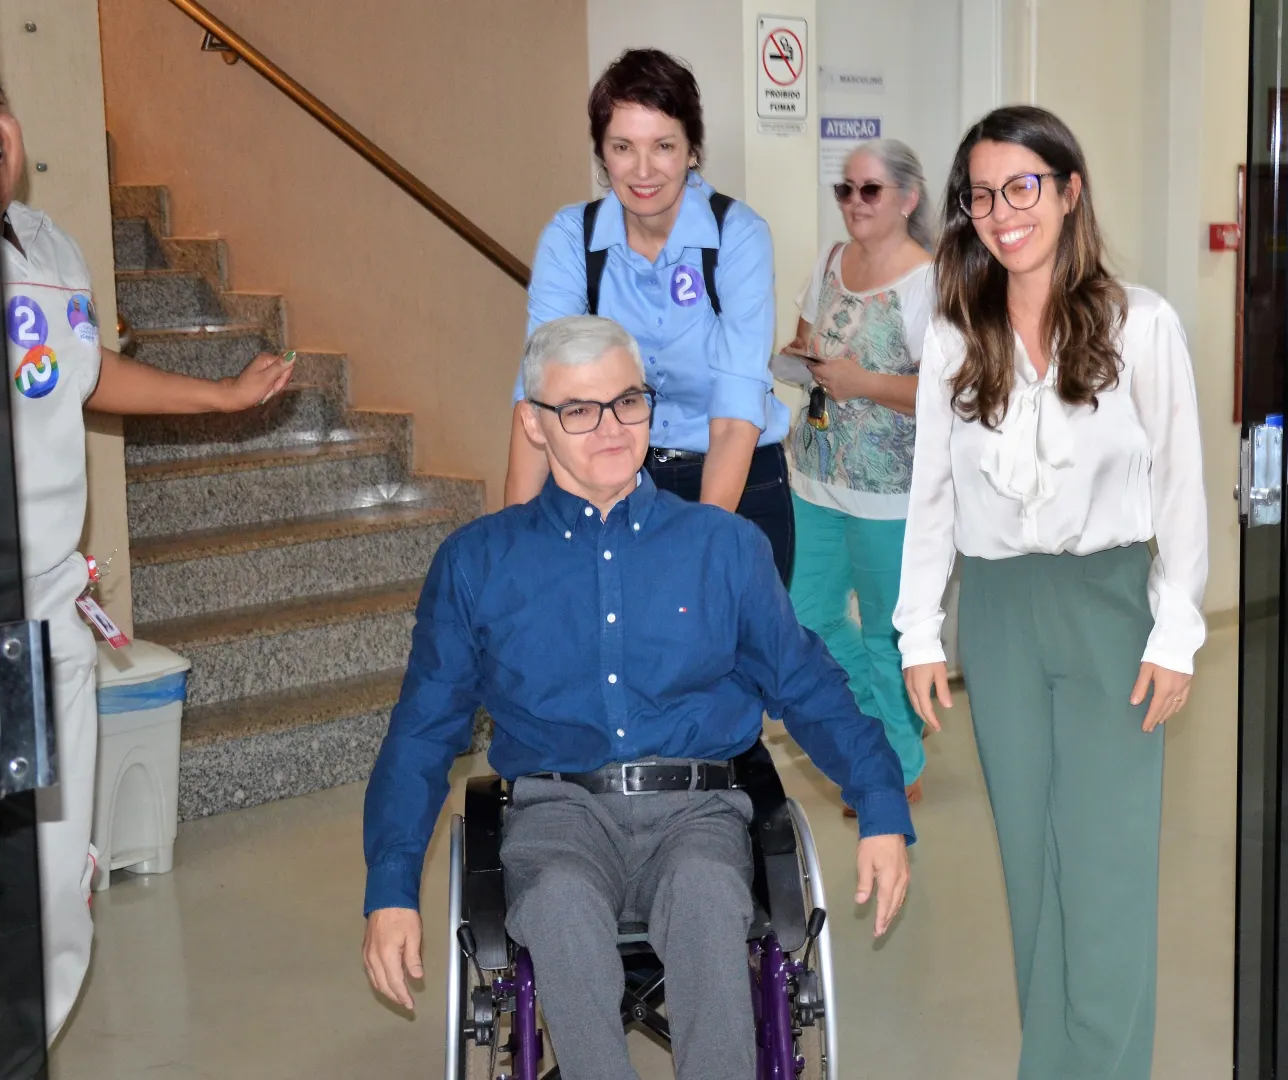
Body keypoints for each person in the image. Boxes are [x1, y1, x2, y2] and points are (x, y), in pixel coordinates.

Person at [0, 7, 294, 1065]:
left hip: (46, 621)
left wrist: (219, 397)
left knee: (54, 895)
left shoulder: (47, 244)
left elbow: (86, 372)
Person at [362, 316, 912, 1080]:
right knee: (557, 903)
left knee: (706, 894)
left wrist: (879, 803)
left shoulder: (722, 547)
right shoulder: (478, 563)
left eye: (627, 402)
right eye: (578, 410)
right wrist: (390, 889)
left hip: (697, 810)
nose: (611, 428)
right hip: (556, 814)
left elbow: (807, 684)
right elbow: (423, 733)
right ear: (533, 423)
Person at [892, 106, 1208, 1079]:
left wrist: (1176, 632)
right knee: (1031, 871)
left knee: (1106, 870)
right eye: (982, 195)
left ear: (1070, 192)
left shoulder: (1140, 325)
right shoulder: (956, 337)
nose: (1002, 213)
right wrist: (918, 632)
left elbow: (1180, 489)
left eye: (1022, 187)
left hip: (1110, 609)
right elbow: (932, 494)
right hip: (998, 616)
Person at [507, 49, 795, 583]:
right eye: (623, 147)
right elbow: (539, 396)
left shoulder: (737, 236)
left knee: (720, 632)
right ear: (602, 154)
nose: (643, 171)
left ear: (692, 151)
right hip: (612, 482)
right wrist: (514, 549)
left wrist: (698, 546)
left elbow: (736, 411)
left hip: (734, 479)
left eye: (663, 146)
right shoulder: (571, 239)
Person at [776, 139, 935, 813]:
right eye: (846, 189)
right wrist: (803, 360)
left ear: (908, 198)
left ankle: (898, 762)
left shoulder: (928, 282)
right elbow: (807, 342)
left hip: (889, 493)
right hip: (812, 475)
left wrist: (862, 382)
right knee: (806, 617)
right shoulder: (830, 261)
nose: (854, 202)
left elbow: (943, 394)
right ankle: (877, 728)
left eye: (870, 189)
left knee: (885, 633)